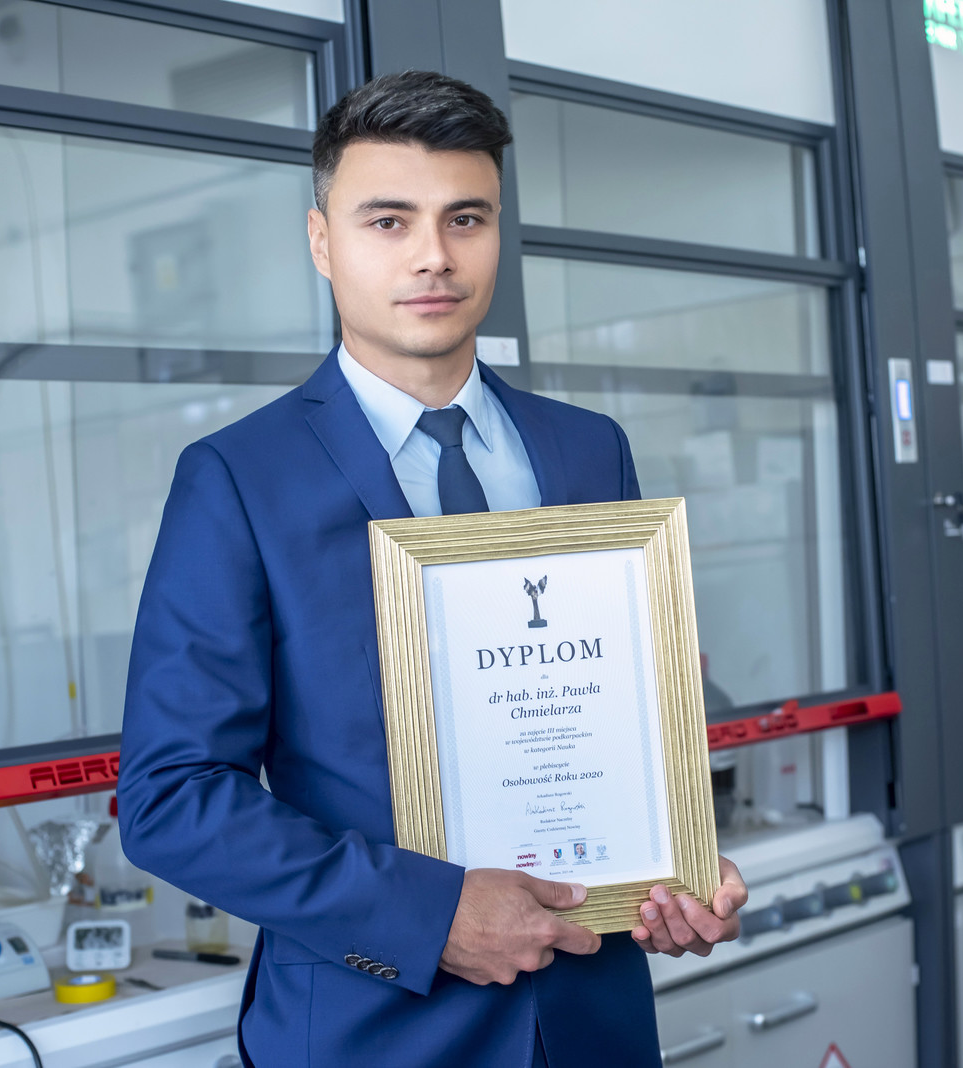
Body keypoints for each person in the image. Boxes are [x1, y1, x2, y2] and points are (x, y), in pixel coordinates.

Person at [117, 70, 748, 1068]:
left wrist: (673, 867)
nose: (434, 256)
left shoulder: (588, 449)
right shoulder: (240, 479)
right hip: (375, 1032)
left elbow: (618, 720)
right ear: (321, 241)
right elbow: (173, 798)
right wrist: (430, 914)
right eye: (387, 221)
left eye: (466, 218)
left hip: (593, 1020)